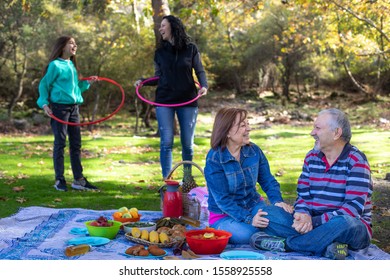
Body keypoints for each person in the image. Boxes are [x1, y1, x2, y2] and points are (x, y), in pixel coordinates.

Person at [251, 108, 372, 259]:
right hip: (311, 225)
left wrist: (313, 222)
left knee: (345, 223)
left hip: (347, 227)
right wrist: (302, 214)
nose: (312, 133)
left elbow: (353, 209)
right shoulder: (311, 157)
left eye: (318, 128)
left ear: (336, 133)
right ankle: (327, 247)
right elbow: (303, 197)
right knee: (269, 214)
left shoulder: (356, 160)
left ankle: (287, 245)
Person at [204, 107, 294, 244]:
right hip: (225, 215)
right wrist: (249, 219)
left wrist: (277, 201)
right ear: (227, 131)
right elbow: (223, 200)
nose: (248, 129)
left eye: (248, 124)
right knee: (249, 233)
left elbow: (268, 180)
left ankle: (301, 238)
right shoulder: (215, 158)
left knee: (284, 219)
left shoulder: (254, 151)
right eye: (242, 125)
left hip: (254, 206)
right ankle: (289, 242)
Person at [134, 15, 208, 179]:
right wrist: (143, 82)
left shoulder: (191, 49)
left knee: (187, 144)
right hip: (164, 100)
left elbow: (200, 70)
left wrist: (204, 86)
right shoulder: (159, 52)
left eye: (163, 26)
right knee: (166, 142)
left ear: (173, 27)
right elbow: (159, 77)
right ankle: (167, 182)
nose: (160, 29)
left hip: (187, 100)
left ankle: (187, 179)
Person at [37, 36, 99, 192]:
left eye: (75, 43)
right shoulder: (55, 65)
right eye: (71, 43)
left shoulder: (71, 65)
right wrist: (44, 104)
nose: (75, 45)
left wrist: (87, 84)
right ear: (62, 46)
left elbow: (75, 89)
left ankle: (79, 180)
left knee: (76, 144)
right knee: (60, 143)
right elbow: (44, 85)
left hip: (73, 108)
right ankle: (59, 179)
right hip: (59, 108)